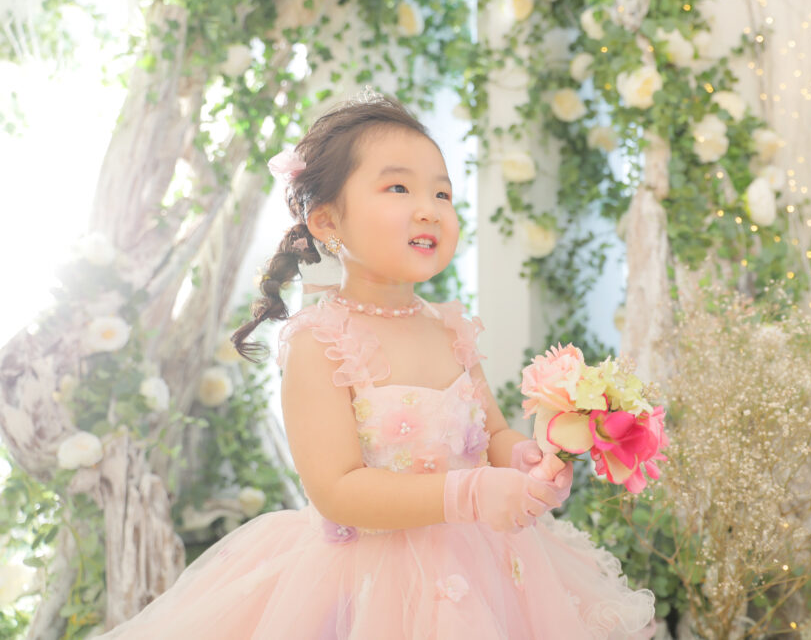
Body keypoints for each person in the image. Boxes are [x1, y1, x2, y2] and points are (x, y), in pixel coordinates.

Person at [94, 91, 656, 639]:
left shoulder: (451, 328)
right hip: (373, 583)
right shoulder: (321, 342)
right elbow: (337, 489)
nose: (428, 209)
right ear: (327, 223)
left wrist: (522, 459)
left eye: (442, 193)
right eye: (398, 187)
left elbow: (492, 435)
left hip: (485, 565)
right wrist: (469, 495)